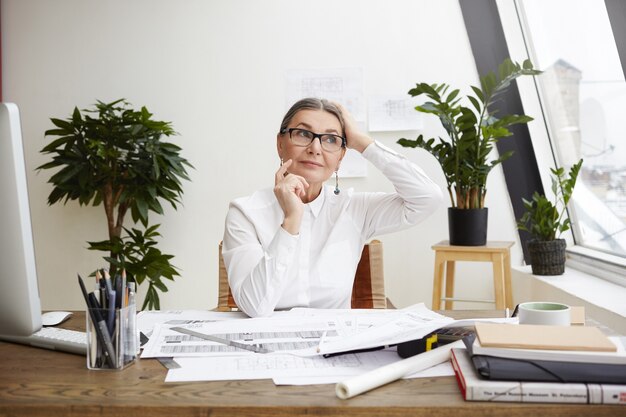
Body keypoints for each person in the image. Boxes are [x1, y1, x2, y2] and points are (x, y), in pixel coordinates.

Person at [222, 98, 442, 317]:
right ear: (280, 144)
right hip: (264, 345)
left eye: (330, 139)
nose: (315, 148)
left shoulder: (355, 208)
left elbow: (428, 198)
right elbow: (255, 307)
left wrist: (362, 143)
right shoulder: (245, 212)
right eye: (303, 134)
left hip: (334, 345)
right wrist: (291, 220)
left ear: (340, 158)